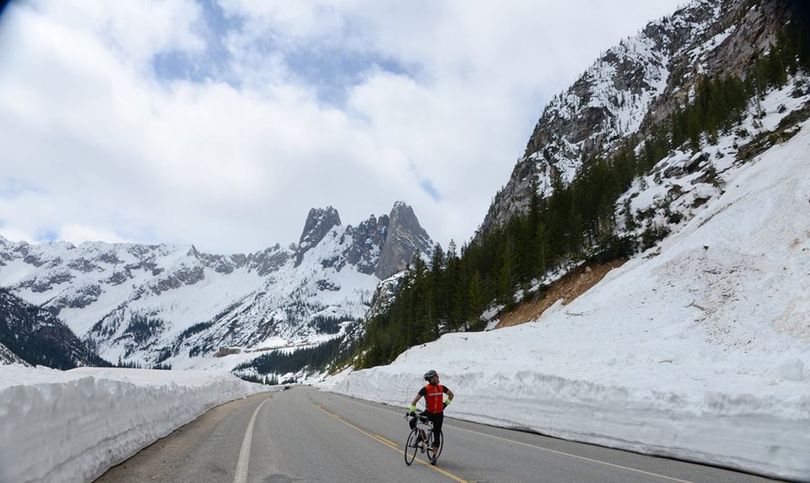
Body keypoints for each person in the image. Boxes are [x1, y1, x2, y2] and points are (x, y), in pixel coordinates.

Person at [408, 369, 454, 456]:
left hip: (439, 415)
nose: (438, 377)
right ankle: (422, 437)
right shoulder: (425, 389)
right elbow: (414, 401)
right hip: (428, 413)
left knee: (437, 433)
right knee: (412, 422)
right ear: (432, 379)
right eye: (436, 376)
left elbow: (451, 395)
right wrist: (412, 411)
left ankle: (434, 455)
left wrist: (445, 404)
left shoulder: (442, 387)